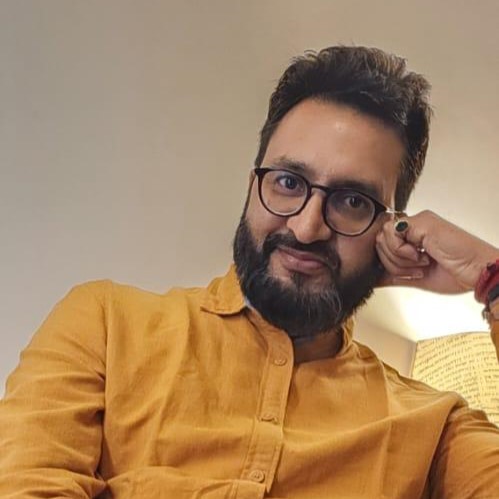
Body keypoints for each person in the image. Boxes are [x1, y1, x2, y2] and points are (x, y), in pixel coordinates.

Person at [0, 46, 498, 498]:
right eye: (288, 182)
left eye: (352, 201)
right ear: (252, 186)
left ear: (390, 228)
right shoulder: (105, 323)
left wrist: (489, 274)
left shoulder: (435, 428)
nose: (306, 228)